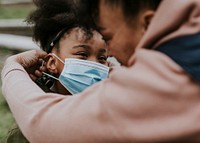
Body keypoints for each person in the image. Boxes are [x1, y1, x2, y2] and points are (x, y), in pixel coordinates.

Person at [2, 0, 200, 142]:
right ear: (51, 62)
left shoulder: (170, 76)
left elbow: (43, 124)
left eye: (109, 38)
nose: (110, 55)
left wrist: (12, 68)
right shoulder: (188, 46)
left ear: (147, 25)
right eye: (82, 54)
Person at [4, 0, 109, 142]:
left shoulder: (112, 113)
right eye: (82, 54)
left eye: (102, 58)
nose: (94, 64)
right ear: (52, 63)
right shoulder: (25, 134)